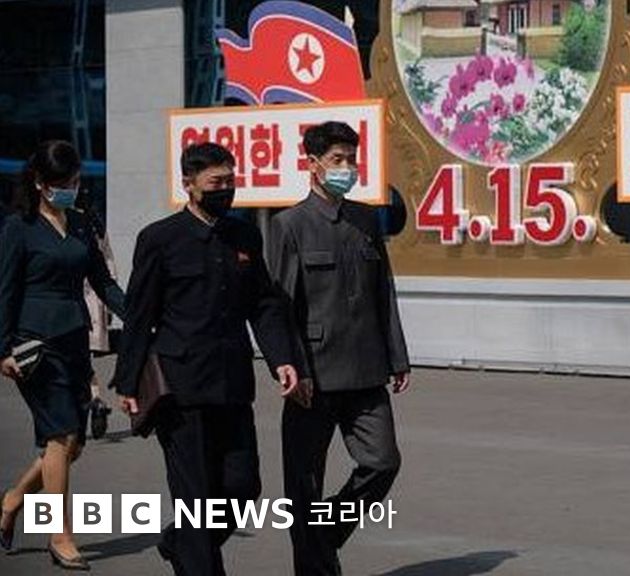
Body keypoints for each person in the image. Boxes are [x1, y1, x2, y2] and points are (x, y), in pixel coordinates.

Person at [112, 142, 302, 576]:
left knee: (242, 488)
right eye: (216, 183)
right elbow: (140, 314)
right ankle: (194, 553)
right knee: (196, 501)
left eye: (230, 182)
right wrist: (127, 381)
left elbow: (263, 303)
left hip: (233, 384)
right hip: (181, 388)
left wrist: (281, 358)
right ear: (189, 184)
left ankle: (179, 542)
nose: (225, 190)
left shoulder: (244, 236)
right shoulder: (160, 239)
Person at [269, 121, 410, 576]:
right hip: (313, 375)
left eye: (351, 158)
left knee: (382, 462)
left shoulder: (366, 220)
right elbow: (281, 307)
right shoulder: (288, 225)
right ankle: (316, 564)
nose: (347, 167)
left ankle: (326, 530)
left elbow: (383, 291)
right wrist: (292, 367)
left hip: (367, 370)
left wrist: (397, 356)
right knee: (304, 483)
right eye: (337, 159)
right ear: (312, 164)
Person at [0, 140, 126, 570]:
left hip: (74, 340)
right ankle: (60, 536)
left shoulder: (81, 222)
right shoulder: (18, 227)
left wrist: (139, 315)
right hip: (33, 345)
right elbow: (5, 290)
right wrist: (2, 348)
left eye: (74, 181)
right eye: (62, 183)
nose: (70, 189)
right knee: (61, 435)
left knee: (71, 446)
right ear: (39, 182)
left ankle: (12, 500)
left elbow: (103, 283)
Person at [77, 188, 116, 439]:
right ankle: (95, 399)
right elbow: (109, 266)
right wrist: (110, 307)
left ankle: (89, 401)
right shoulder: (96, 226)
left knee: (77, 360)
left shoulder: (69, 226)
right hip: (95, 300)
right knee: (83, 360)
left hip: (75, 299)